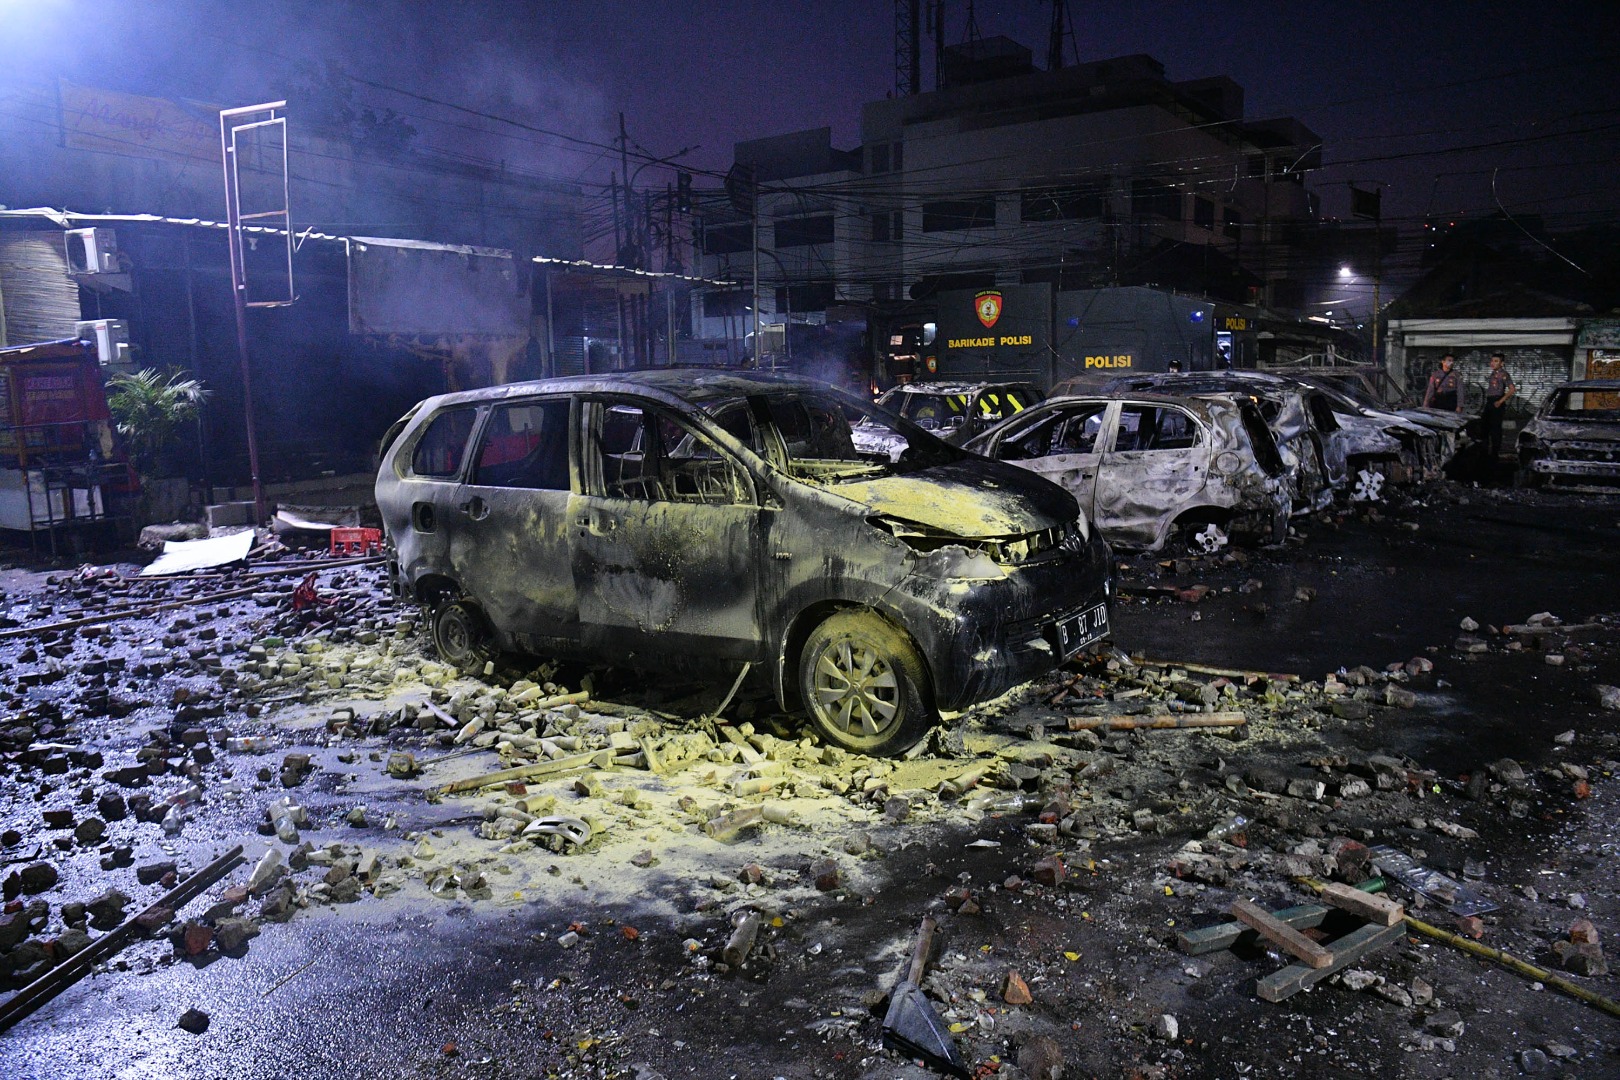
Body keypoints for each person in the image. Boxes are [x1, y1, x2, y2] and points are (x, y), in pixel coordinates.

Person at [1480, 352, 1517, 458]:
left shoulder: (1504, 374)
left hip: (1497, 401)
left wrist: (1500, 401)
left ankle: (1494, 452)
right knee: (1484, 426)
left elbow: (1512, 389)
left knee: (1495, 428)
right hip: (1490, 401)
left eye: (1496, 361)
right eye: (1492, 361)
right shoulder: (1493, 374)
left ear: (1502, 363)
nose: (1493, 363)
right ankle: (1484, 450)